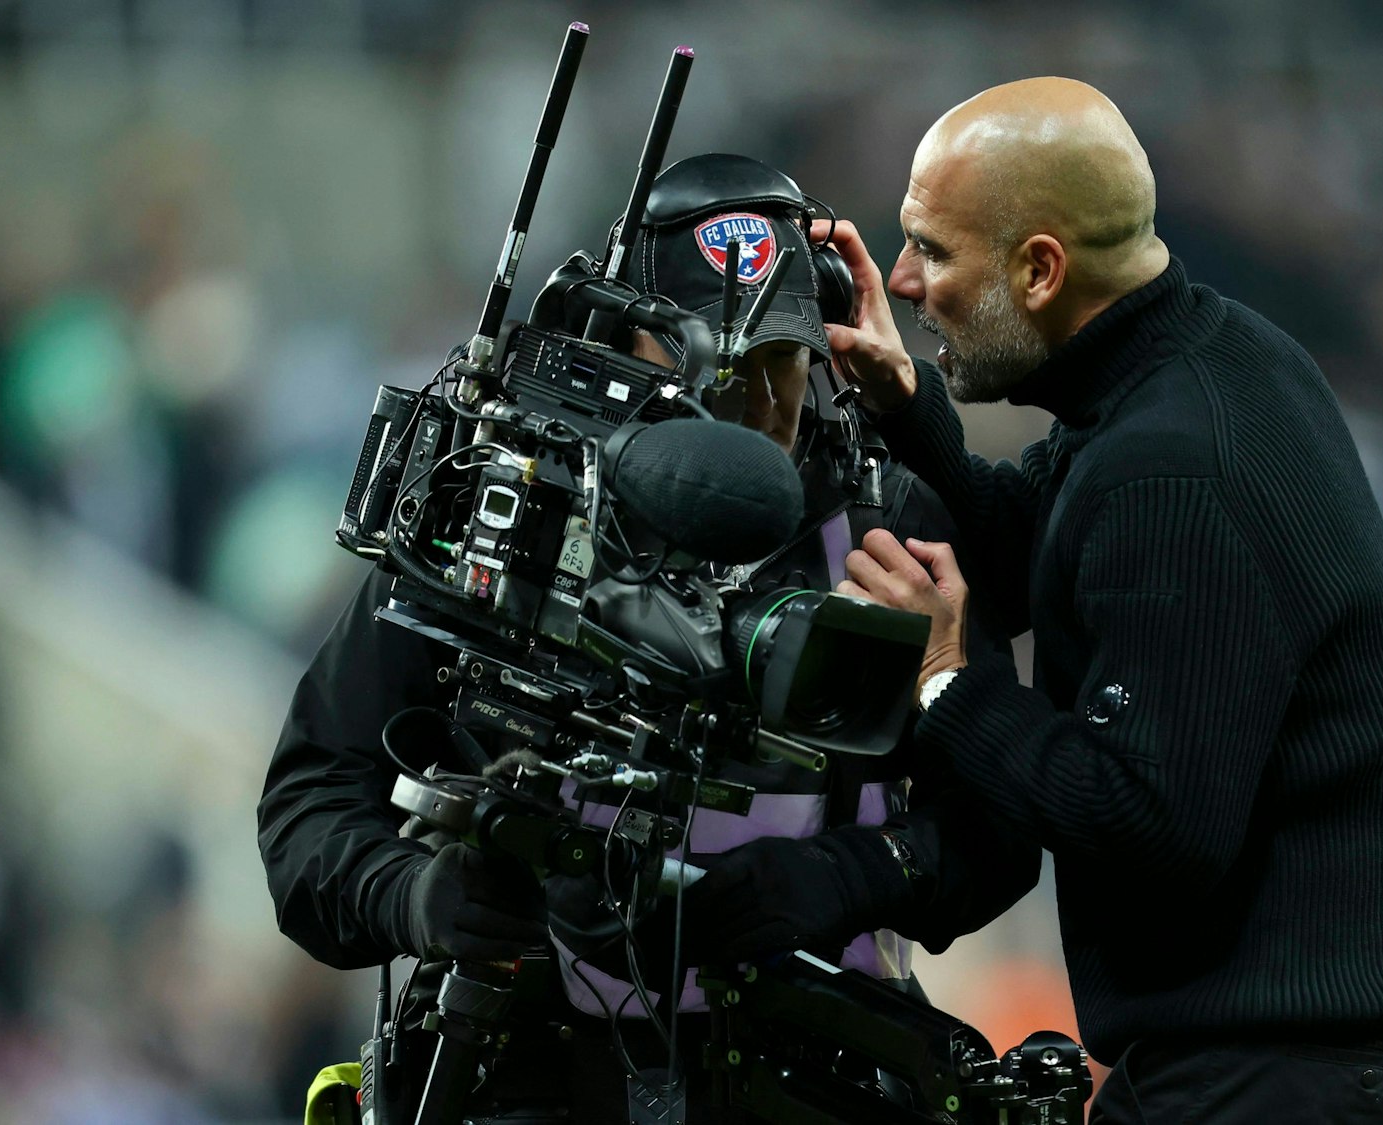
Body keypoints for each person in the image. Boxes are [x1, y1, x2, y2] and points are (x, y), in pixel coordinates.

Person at [257, 152, 1039, 1122]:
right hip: (528, 1070)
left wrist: (845, 877)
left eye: (779, 363)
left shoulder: (888, 528)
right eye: (712, 367)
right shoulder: (502, 513)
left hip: (809, 1070)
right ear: (620, 346)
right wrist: (409, 895)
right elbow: (310, 802)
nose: (754, 407)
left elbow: (1002, 828)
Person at [804, 77, 1383, 1123]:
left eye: (931, 250)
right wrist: (902, 402)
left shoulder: (1172, 467)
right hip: (1309, 1060)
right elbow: (1034, 551)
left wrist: (945, 680)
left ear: (1039, 270)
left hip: (1271, 1078)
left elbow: (1149, 824)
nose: (902, 280)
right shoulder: (1214, 360)